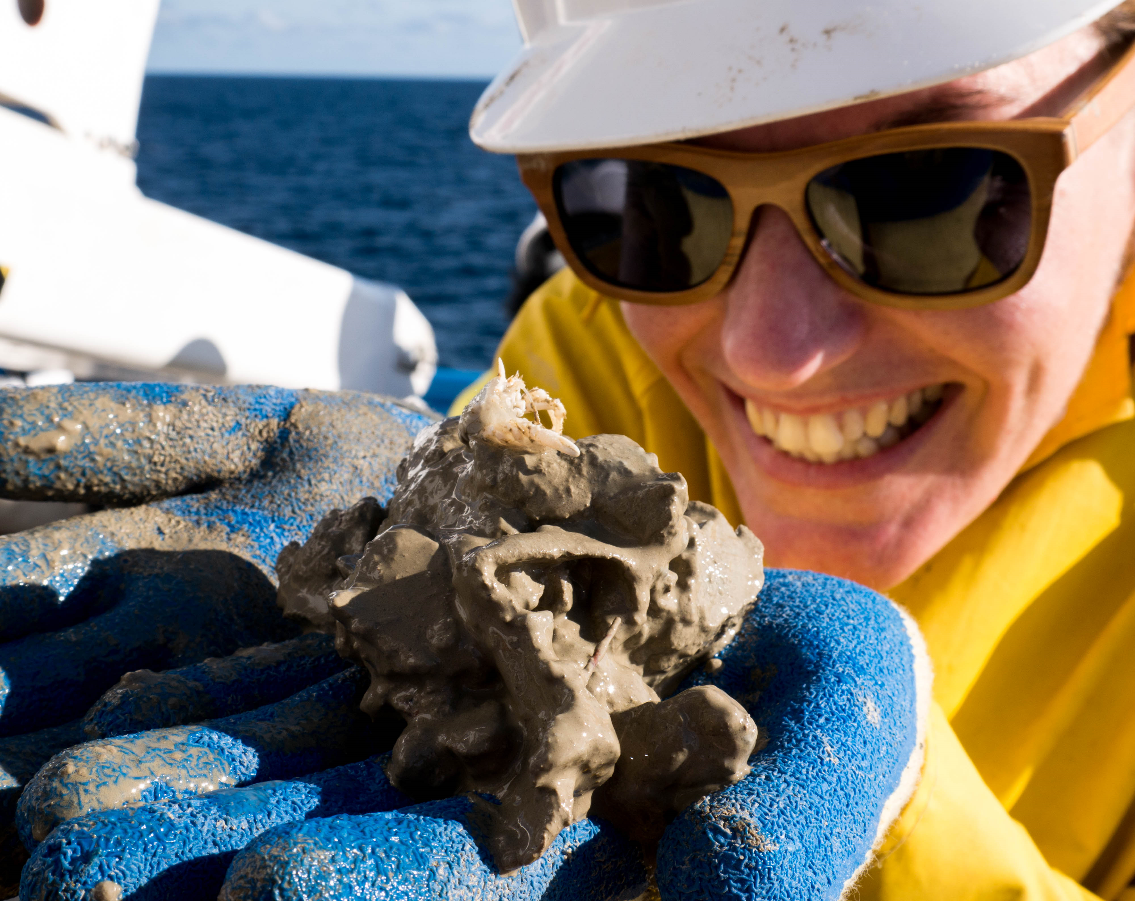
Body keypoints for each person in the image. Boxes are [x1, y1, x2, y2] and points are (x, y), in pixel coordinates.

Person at [456, 0, 1135, 897]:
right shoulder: (587, 361)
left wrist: (886, 828)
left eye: (928, 185)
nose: (768, 353)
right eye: (668, 195)